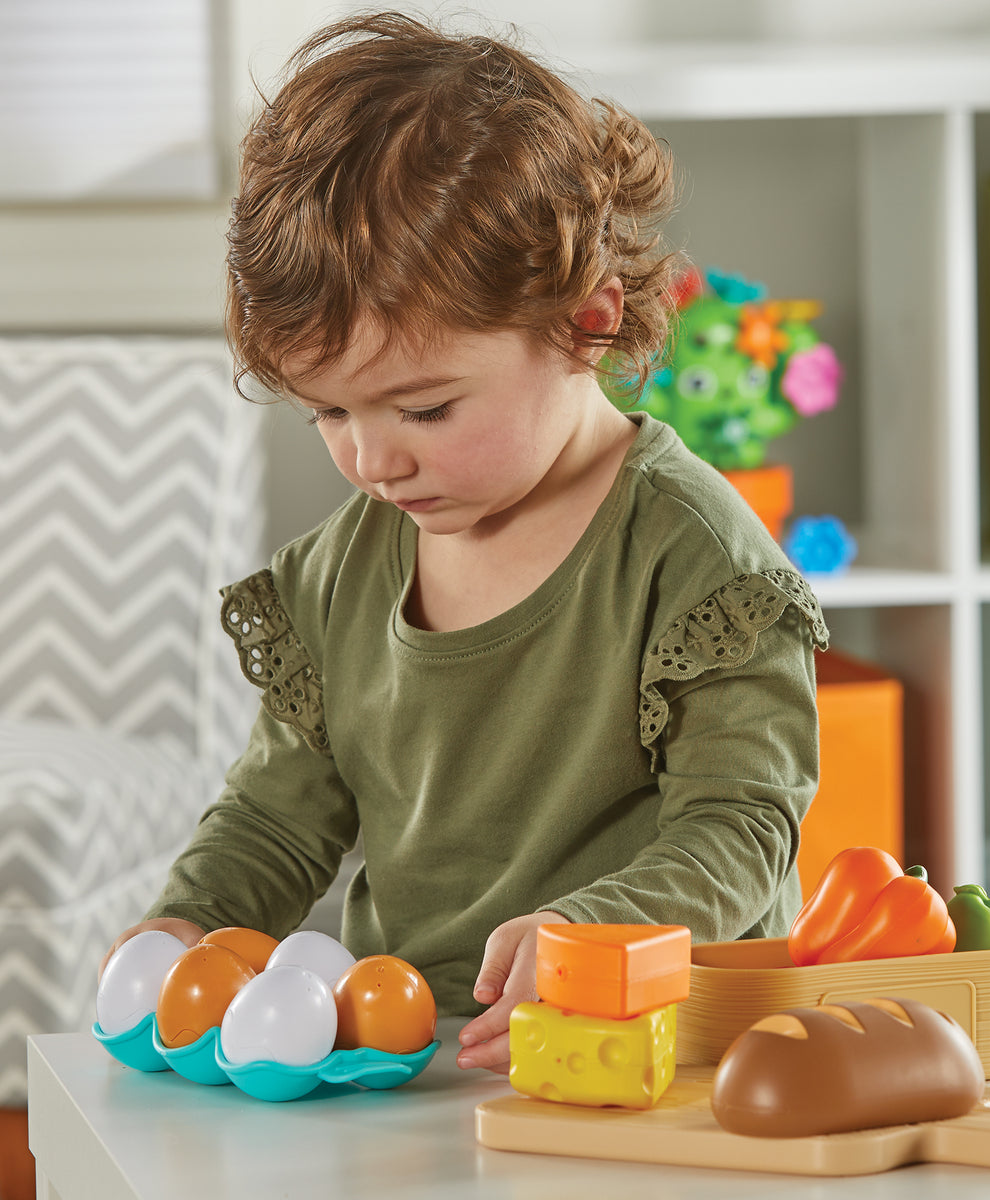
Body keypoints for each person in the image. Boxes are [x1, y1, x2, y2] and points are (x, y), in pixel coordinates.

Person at [98, 10, 828, 1073]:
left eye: (425, 410)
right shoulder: (339, 572)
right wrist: (190, 921)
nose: (371, 461)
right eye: (329, 413)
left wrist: (594, 934)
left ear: (585, 322)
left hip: (649, 1050)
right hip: (409, 1059)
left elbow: (743, 828)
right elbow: (277, 818)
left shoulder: (696, 557)